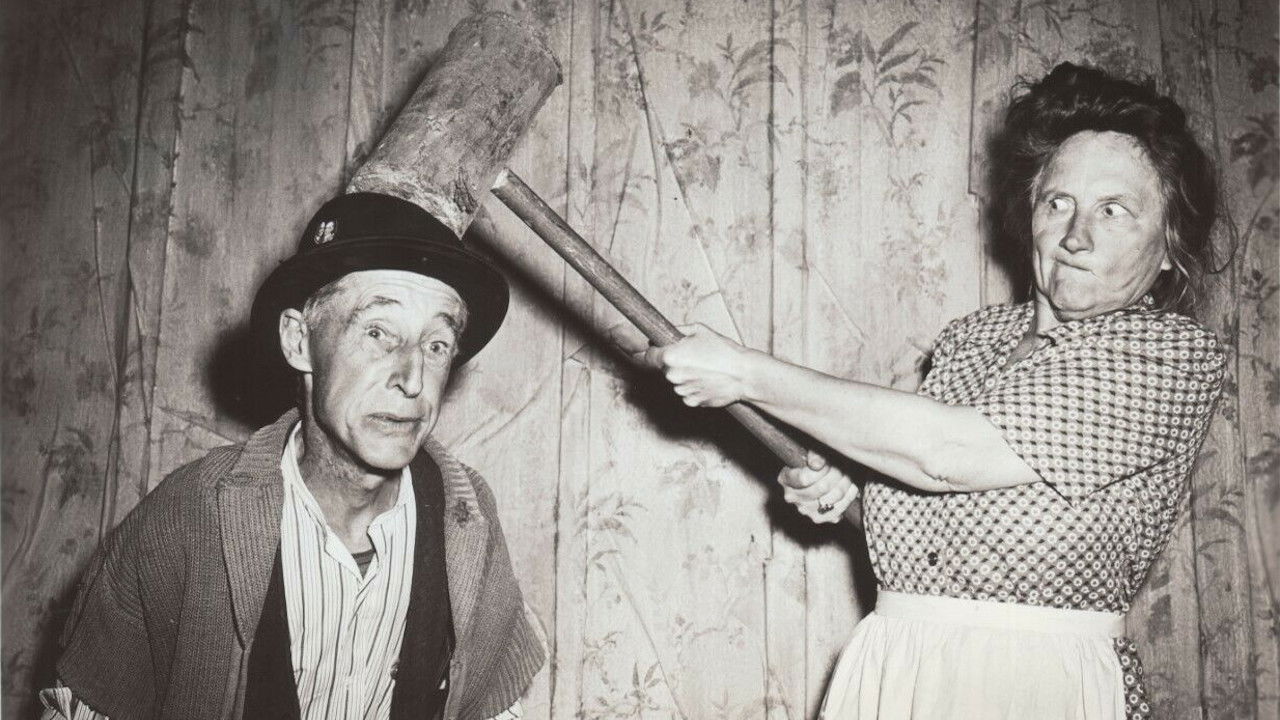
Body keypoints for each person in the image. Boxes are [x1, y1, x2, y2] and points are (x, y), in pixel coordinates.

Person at [620, 63, 1225, 719]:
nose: (1076, 236)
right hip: (896, 664)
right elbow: (926, 488)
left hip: (1035, 685)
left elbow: (947, 454)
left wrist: (746, 373)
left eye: (1114, 211)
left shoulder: (1169, 356)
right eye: (1058, 203)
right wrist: (854, 485)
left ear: (1169, 245)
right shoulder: (972, 340)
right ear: (1031, 213)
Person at [40, 192, 544, 720]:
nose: (413, 379)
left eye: (436, 345)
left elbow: (493, 710)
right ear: (299, 341)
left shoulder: (466, 520)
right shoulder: (190, 516)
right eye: (378, 333)